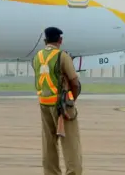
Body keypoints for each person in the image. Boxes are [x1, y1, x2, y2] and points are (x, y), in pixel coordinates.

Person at [31, 26, 83, 175]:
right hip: (62, 106)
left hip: (44, 104)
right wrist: (71, 100)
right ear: (60, 40)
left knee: (48, 143)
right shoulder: (62, 56)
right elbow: (75, 83)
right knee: (70, 144)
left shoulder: (37, 57)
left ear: (45, 40)